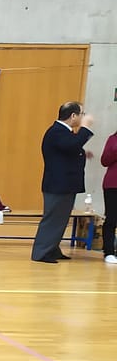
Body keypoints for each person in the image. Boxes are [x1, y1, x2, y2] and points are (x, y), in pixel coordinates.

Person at [31, 102, 95, 263]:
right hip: (57, 185)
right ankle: (41, 253)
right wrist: (85, 127)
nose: (83, 117)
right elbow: (72, 144)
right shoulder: (57, 131)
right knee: (52, 219)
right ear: (73, 116)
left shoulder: (64, 132)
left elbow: (69, 149)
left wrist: (82, 154)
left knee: (60, 220)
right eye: (81, 114)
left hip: (65, 184)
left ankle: (52, 249)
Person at [101, 128, 117, 264]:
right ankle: (109, 251)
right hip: (113, 184)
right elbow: (104, 161)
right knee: (111, 219)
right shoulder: (113, 139)